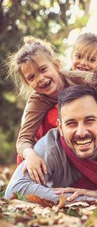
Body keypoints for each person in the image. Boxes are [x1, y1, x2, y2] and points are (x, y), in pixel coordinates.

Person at [7, 36, 91, 183]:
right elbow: (23, 139)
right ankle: (29, 182)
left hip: (84, 138)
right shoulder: (37, 100)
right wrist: (31, 155)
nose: (40, 78)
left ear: (56, 65)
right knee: (25, 154)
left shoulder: (79, 79)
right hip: (52, 149)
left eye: (43, 69)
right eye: (31, 77)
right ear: (27, 83)